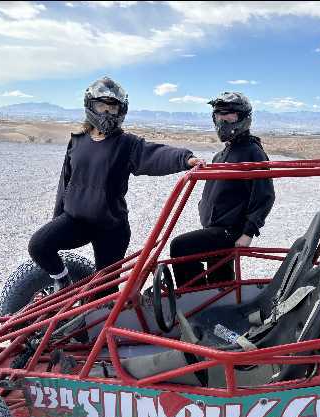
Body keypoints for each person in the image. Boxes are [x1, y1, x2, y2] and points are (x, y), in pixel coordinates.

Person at [28, 76, 202, 291]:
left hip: (110, 226)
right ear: (91, 106)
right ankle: (64, 282)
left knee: (104, 291)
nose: (107, 113)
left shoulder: (126, 144)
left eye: (113, 108)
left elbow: (154, 154)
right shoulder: (77, 141)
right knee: (39, 245)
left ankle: (101, 310)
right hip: (76, 220)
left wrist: (185, 159)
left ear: (121, 111)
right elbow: (65, 182)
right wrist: (58, 217)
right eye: (101, 106)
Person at [171, 92, 275, 287]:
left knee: (181, 246)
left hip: (230, 230)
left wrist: (248, 232)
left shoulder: (252, 152)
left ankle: (193, 295)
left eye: (229, 116)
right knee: (219, 274)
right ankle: (216, 299)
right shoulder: (221, 154)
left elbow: (265, 195)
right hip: (215, 226)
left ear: (243, 118)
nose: (223, 122)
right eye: (219, 116)